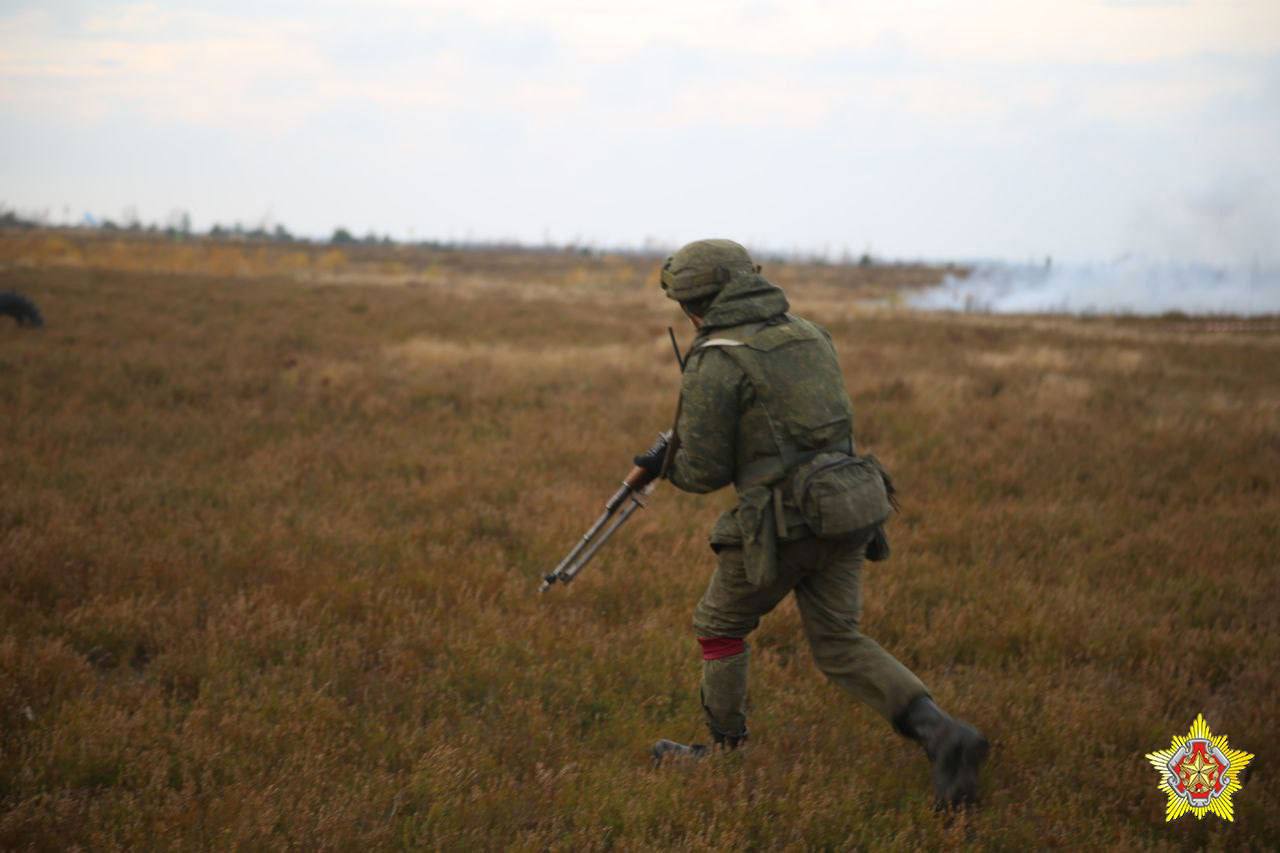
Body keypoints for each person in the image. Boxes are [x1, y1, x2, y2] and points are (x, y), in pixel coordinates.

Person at [635, 239, 988, 809]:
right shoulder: (809, 333)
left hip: (785, 524)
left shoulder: (716, 358)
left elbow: (702, 472)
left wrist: (664, 462)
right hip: (848, 507)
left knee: (719, 627)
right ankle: (944, 734)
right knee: (839, 641)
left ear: (694, 303)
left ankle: (724, 751)